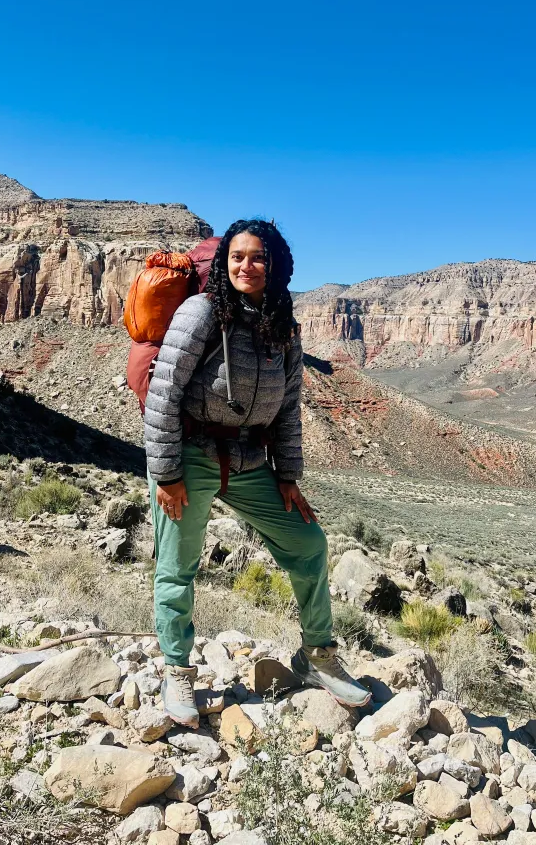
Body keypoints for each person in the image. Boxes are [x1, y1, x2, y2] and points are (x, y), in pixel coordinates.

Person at [144, 218, 370, 727]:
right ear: (224, 264)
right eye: (237, 257)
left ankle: (319, 657)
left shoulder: (282, 327)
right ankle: (177, 671)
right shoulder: (200, 313)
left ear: (276, 266)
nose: (248, 266)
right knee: (177, 566)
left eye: (259, 257)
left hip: (249, 461)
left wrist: (288, 477)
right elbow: (163, 395)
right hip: (192, 454)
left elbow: (289, 409)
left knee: (309, 543)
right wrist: (167, 472)